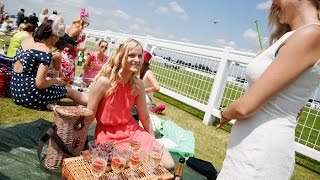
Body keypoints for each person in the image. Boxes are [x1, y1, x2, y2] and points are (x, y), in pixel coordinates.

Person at [216, 0, 320, 179]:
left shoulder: (311, 34)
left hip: (259, 154)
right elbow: (296, 106)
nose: (271, 6)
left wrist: (225, 112)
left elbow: (244, 107)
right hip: (251, 149)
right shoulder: (297, 36)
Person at [87, 39, 174, 170]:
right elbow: (89, 115)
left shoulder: (138, 85)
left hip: (132, 131)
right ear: (121, 56)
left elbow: (144, 117)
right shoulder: (104, 82)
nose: (137, 60)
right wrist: (79, 141)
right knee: (128, 165)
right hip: (108, 134)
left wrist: (153, 141)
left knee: (168, 163)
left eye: (140, 56)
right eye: (131, 55)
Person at [10, 15, 87, 110]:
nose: (58, 40)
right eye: (58, 37)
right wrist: (56, 81)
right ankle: (95, 101)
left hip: (15, 91)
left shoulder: (26, 40)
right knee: (70, 91)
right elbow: (40, 84)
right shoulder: (45, 51)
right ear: (53, 36)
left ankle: (46, 104)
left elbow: (27, 70)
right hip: (28, 94)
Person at [59, 8, 89, 79]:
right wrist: (80, 48)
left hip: (70, 56)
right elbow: (66, 43)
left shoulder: (73, 27)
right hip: (68, 57)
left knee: (66, 78)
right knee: (67, 78)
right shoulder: (77, 29)